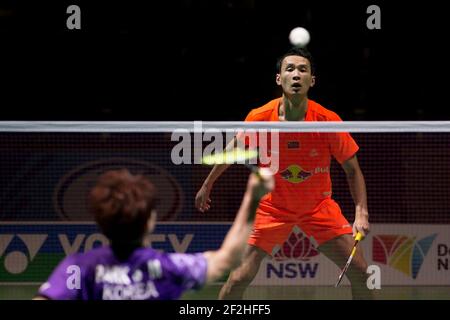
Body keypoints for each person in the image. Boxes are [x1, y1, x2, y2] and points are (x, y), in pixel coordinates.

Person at [195, 47, 372, 300]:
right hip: (272, 208)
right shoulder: (259, 118)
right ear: (279, 79)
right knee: (238, 278)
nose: (296, 75)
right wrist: (207, 184)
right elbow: (230, 153)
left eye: (303, 70)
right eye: (290, 69)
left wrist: (361, 212)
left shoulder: (327, 120)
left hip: (318, 207)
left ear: (312, 80)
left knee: (361, 272)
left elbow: (352, 169)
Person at [34, 168, 274, 300]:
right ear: (150, 222)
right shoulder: (169, 268)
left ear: (100, 222)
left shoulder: (78, 268)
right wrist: (252, 196)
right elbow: (228, 257)